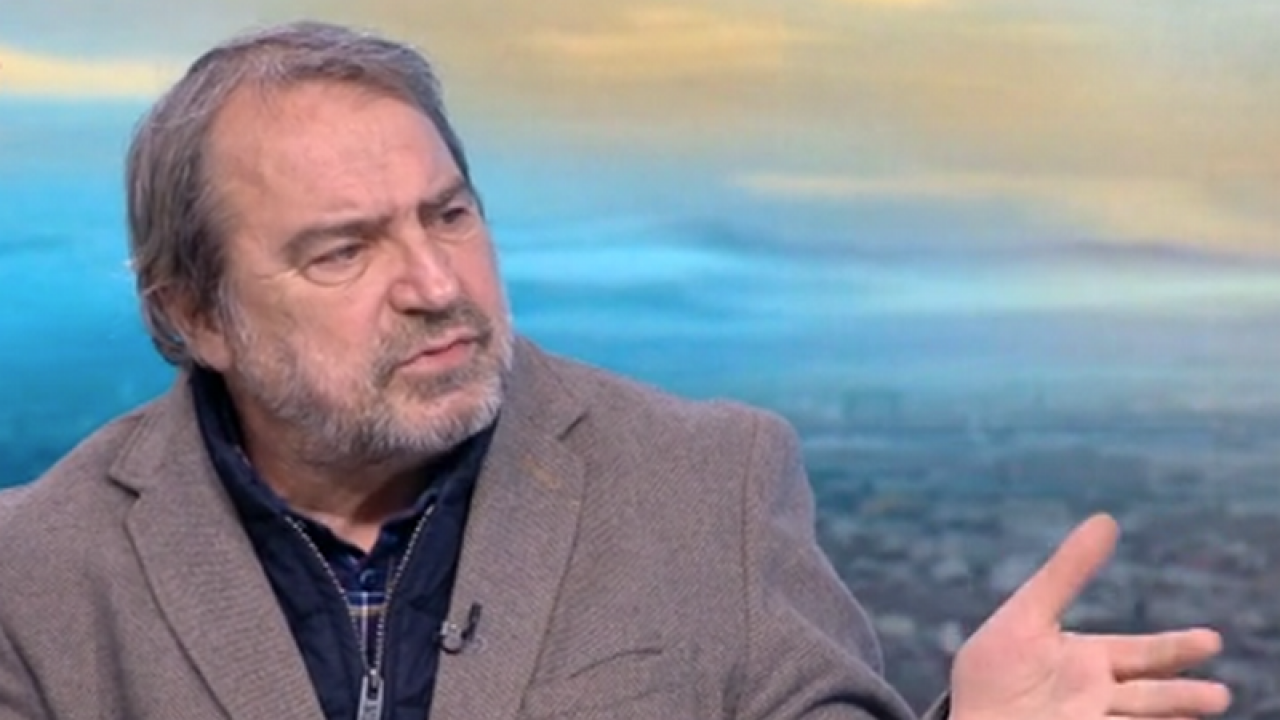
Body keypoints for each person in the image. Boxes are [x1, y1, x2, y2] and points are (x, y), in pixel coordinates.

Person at [0, 20, 1230, 720]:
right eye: (344, 250)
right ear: (195, 314)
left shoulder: (709, 483)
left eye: (449, 214)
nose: (433, 281)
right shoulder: (34, 573)